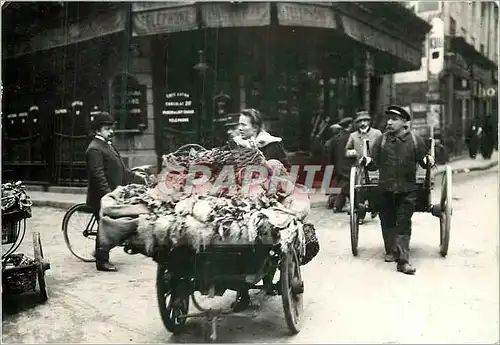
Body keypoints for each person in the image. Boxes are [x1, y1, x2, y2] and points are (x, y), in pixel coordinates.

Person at [360, 105, 435, 275]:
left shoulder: (415, 140)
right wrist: (367, 162)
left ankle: (403, 261)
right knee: (387, 222)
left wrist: (428, 159)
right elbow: (374, 165)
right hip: (385, 189)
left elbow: (424, 161)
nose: (389, 122)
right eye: (389, 119)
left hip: (407, 191)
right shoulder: (382, 141)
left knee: (403, 224)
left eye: (394, 119)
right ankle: (391, 250)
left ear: (403, 122)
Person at [227, 108, 289, 311]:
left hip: (267, 198)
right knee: (238, 242)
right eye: (239, 124)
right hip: (240, 197)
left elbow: (284, 169)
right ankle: (242, 293)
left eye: (243, 124)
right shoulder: (234, 144)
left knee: (266, 236)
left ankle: (269, 279)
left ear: (255, 127)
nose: (239, 128)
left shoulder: (273, 144)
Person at [86, 112, 146, 272]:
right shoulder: (94, 149)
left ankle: (100, 250)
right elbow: (98, 176)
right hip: (102, 196)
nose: (111, 131)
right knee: (105, 226)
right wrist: (108, 196)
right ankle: (102, 261)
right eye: (107, 128)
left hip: (114, 193)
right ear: (98, 130)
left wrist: (137, 177)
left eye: (112, 128)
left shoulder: (108, 145)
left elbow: (121, 169)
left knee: (108, 226)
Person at [345, 110, 383, 220]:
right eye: (360, 121)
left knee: (374, 188)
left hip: (374, 168)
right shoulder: (353, 136)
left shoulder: (377, 133)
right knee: (359, 191)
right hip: (359, 168)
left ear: (369, 122)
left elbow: (383, 148)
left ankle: (374, 208)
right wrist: (350, 152)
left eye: (365, 121)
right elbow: (347, 150)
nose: (363, 123)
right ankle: (360, 215)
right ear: (357, 123)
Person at [330, 117, 354, 213]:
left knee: (343, 186)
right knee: (349, 186)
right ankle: (349, 206)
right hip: (349, 165)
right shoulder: (352, 137)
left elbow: (331, 154)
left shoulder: (335, 138)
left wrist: (333, 165)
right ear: (350, 125)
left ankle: (337, 205)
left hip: (339, 166)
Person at [324, 123, 343, 209]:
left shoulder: (329, 142)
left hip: (332, 165)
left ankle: (333, 201)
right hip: (335, 165)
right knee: (336, 183)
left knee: (335, 183)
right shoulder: (334, 141)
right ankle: (333, 201)